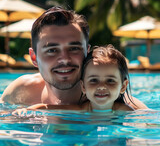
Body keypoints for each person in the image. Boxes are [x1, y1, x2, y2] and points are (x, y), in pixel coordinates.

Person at [1, 6, 147, 110]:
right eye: (52, 50)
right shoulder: (20, 92)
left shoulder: (119, 105)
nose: (64, 59)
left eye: (74, 48)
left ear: (87, 52)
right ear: (34, 57)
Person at [13, 45, 140, 115]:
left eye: (110, 81)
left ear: (123, 86)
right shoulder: (80, 110)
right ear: (83, 86)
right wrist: (28, 110)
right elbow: (47, 108)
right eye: (94, 80)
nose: (102, 86)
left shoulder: (124, 110)